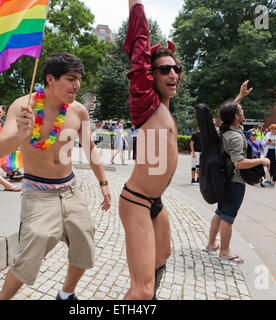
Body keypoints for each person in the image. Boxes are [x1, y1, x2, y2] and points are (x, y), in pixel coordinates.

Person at [0, 52, 111, 300]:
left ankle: (66, 295)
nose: (76, 85)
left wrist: (103, 183)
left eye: (78, 79)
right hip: (38, 192)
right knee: (31, 250)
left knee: (84, 243)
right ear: (49, 78)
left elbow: (90, 148)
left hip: (70, 190)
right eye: (70, 79)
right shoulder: (23, 106)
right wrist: (20, 134)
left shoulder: (79, 112)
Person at [119, 0, 182, 300]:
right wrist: (136, 4)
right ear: (151, 75)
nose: (174, 74)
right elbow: (140, 42)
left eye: (177, 69)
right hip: (137, 202)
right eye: (165, 69)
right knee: (142, 290)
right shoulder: (145, 103)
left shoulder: (165, 109)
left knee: (161, 257)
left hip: (155, 202)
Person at [204, 81, 270, 264]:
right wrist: (261, 160)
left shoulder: (227, 129)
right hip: (235, 181)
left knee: (220, 212)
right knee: (228, 217)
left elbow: (227, 114)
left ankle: (211, 244)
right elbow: (239, 163)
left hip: (225, 180)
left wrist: (240, 96)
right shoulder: (233, 136)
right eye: (240, 109)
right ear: (236, 116)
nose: (242, 110)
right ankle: (224, 252)